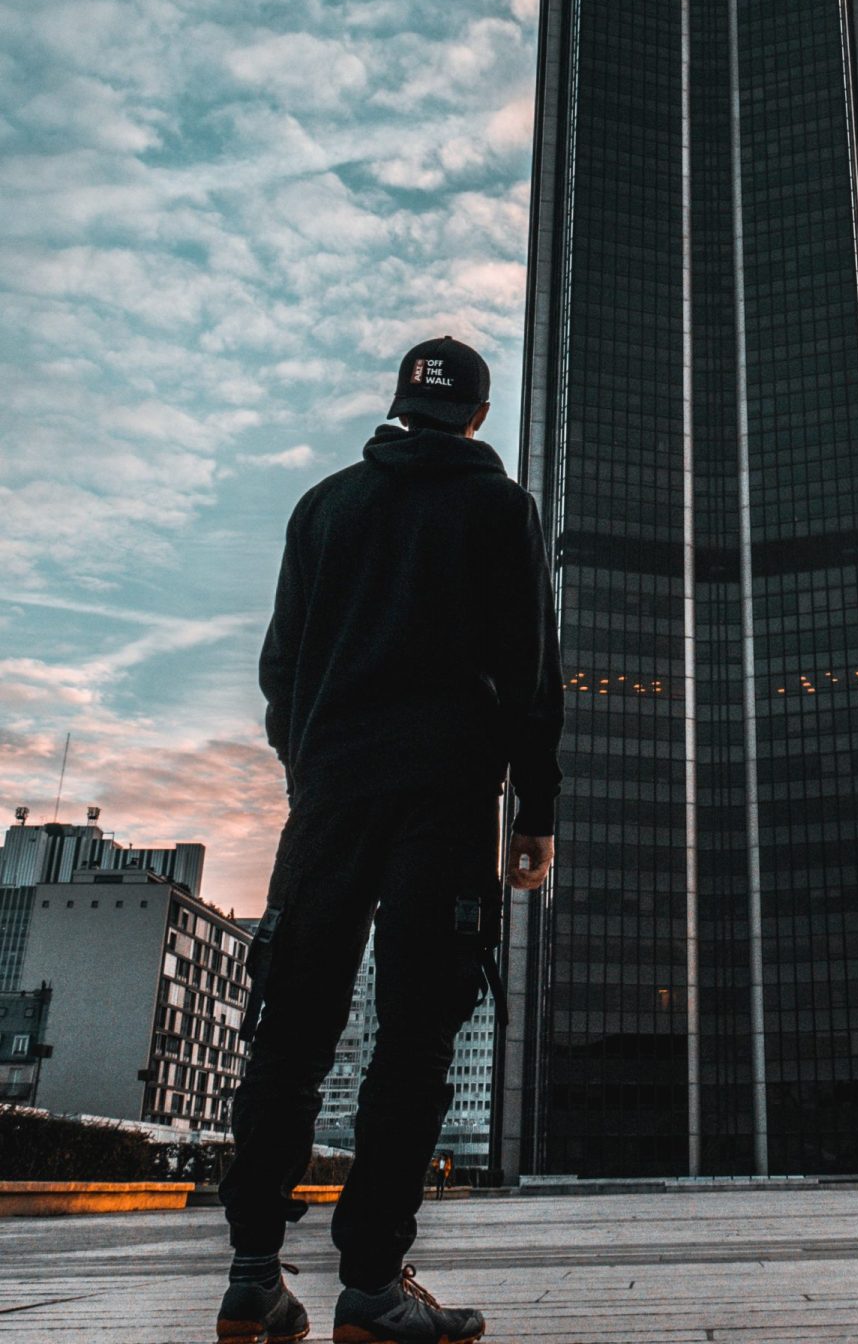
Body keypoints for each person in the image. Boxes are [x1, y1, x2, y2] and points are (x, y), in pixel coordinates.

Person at [216, 337, 563, 1344]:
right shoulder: (499, 509)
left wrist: (309, 762)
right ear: (477, 417)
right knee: (412, 1039)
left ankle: (250, 1275)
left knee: (290, 1029)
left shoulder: (325, 505)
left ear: (399, 404)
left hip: (329, 796)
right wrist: (532, 810)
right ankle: (368, 1287)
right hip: (445, 799)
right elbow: (530, 672)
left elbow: (283, 665)